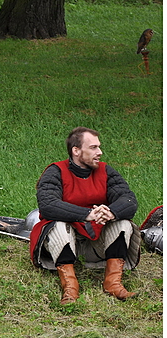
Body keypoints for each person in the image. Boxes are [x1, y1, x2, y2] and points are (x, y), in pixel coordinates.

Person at [30, 127, 141, 305]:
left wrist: (111, 212)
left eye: (99, 147)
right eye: (94, 147)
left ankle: (113, 284)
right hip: (64, 244)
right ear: (76, 151)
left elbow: (128, 199)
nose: (100, 152)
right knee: (57, 225)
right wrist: (86, 214)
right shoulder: (55, 172)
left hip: (95, 246)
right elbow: (48, 205)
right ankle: (70, 289)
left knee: (123, 224)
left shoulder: (106, 171)